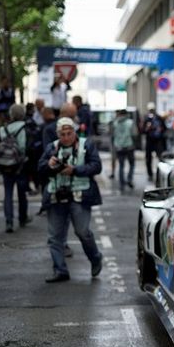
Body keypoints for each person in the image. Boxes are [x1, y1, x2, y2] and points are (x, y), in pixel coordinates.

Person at [38, 117, 103, 283]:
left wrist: (75, 170)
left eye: (69, 133)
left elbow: (96, 166)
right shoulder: (51, 148)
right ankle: (60, 270)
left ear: (75, 132)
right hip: (56, 194)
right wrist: (49, 164)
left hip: (79, 195)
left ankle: (95, 258)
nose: (66, 137)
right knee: (54, 237)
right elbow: (40, 168)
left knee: (83, 232)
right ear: (58, 134)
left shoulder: (86, 145)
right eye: (62, 134)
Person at [0, 104, 30, 233]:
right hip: (19, 166)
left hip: (5, 165)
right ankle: (22, 218)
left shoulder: (3, 129)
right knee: (22, 193)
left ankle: (9, 222)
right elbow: (23, 148)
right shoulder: (24, 128)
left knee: (8, 194)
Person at [112, 109, 137, 190]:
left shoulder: (115, 123)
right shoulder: (130, 122)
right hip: (129, 146)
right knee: (132, 164)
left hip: (119, 147)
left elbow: (112, 134)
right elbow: (134, 134)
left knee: (121, 165)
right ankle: (129, 179)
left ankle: (121, 183)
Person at [143, 102, 166, 180]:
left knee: (160, 158)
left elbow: (164, 128)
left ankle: (160, 173)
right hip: (150, 140)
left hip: (157, 141)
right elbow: (143, 130)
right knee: (148, 159)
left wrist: (160, 130)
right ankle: (150, 174)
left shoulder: (158, 118)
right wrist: (147, 128)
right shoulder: (146, 118)